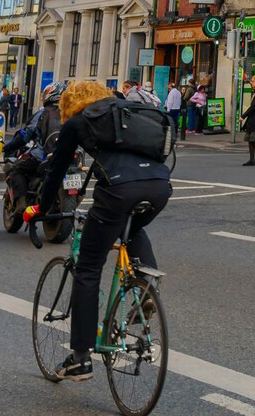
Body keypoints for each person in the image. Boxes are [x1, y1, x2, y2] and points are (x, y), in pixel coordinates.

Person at [29, 79, 173, 384]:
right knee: (131, 226)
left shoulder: (78, 122)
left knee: (89, 269)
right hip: (160, 185)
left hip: (120, 190)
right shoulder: (126, 112)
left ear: (69, 104)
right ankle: (146, 286)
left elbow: (56, 172)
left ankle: (80, 358)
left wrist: (42, 209)